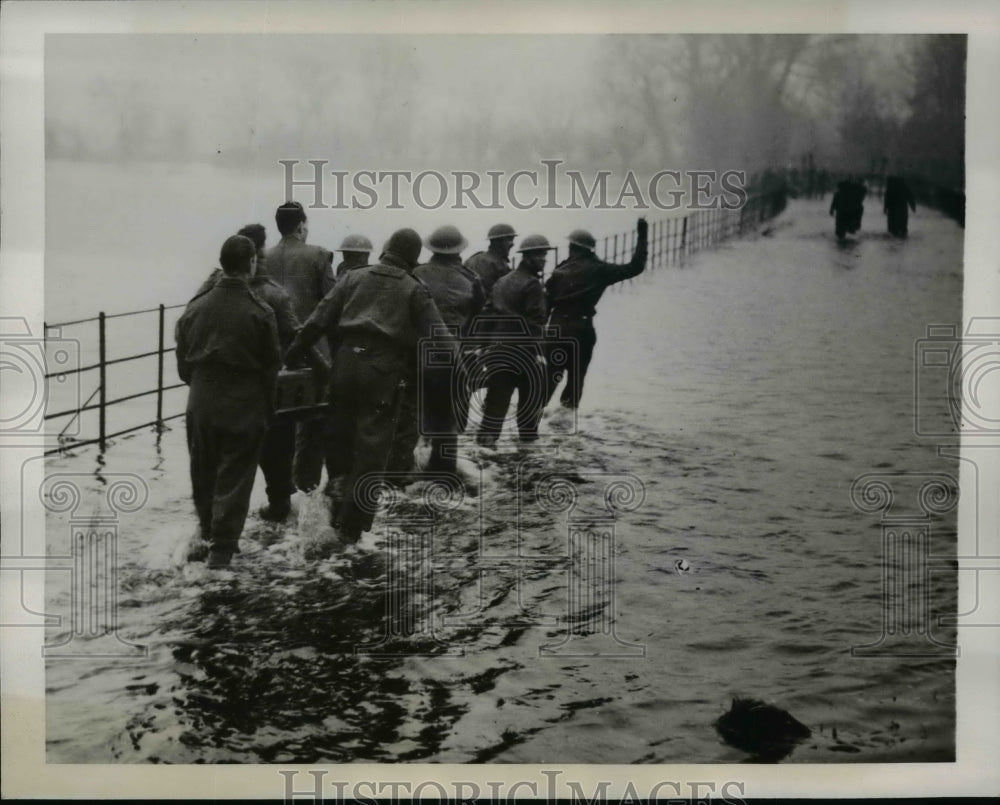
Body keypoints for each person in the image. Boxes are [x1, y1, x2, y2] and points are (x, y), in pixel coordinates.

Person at [283, 228, 453, 549]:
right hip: (382, 373)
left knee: (340, 438)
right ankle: (351, 534)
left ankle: (333, 505)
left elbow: (316, 322)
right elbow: (442, 342)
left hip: (344, 366)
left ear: (385, 250)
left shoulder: (352, 278)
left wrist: (290, 357)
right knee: (371, 452)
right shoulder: (414, 289)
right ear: (414, 260)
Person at [193, 224, 328, 524]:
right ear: (257, 255)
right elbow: (297, 336)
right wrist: (323, 370)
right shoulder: (273, 295)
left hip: (211, 391)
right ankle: (276, 509)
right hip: (264, 388)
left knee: (213, 466)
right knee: (276, 453)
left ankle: (211, 528)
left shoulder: (213, 285)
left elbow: (188, 323)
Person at [175, 235, 281, 568]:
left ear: (222, 263)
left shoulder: (196, 306)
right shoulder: (260, 311)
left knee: (202, 470)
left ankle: (206, 535)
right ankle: (221, 553)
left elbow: (182, 362)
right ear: (251, 264)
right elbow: (272, 365)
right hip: (242, 402)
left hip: (201, 399)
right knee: (235, 476)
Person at [265, 201, 336, 494]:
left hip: (276, 355)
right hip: (313, 352)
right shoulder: (318, 255)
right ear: (302, 225)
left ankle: (281, 493)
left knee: (278, 424)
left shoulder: (263, 258)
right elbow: (333, 302)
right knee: (314, 423)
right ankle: (307, 487)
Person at [544, 218, 648, 410]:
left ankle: (532, 421)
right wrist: (643, 233)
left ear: (573, 247)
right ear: (589, 249)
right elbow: (636, 267)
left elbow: (545, 303)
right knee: (577, 379)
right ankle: (565, 422)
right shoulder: (600, 270)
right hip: (582, 329)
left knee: (550, 376)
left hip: (556, 329)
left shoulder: (559, 270)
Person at [410, 225, 485, 475]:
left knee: (412, 416)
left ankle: (406, 476)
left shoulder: (415, 273)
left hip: (418, 355)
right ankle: (444, 479)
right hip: (454, 357)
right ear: (459, 250)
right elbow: (478, 317)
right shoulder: (471, 279)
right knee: (447, 421)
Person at [476, 235, 554, 447]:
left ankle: (484, 456)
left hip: (498, 353)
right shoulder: (532, 285)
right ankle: (528, 458)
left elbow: (486, 315)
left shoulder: (502, 281)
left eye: (545, 255)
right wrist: (539, 354)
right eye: (540, 255)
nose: (544, 259)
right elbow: (536, 324)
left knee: (494, 408)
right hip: (524, 355)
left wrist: (483, 349)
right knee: (529, 412)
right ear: (527, 258)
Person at [465, 223, 517, 298]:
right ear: (497, 242)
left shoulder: (471, 259)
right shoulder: (500, 264)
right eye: (509, 239)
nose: (512, 244)